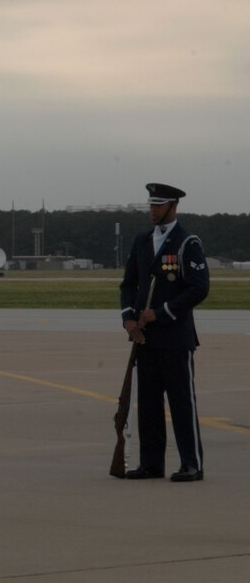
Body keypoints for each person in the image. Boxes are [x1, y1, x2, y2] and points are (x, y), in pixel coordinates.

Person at [119, 182, 209, 482]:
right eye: (151, 205)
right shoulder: (142, 241)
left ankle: (191, 463)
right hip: (145, 338)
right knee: (148, 403)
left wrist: (161, 312)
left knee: (182, 402)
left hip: (175, 337)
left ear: (173, 207)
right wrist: (129, 319)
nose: (153, 210)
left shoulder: (187, 242)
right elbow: (128, 284)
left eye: (158, 205)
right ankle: (151, 463)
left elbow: (199, 288)